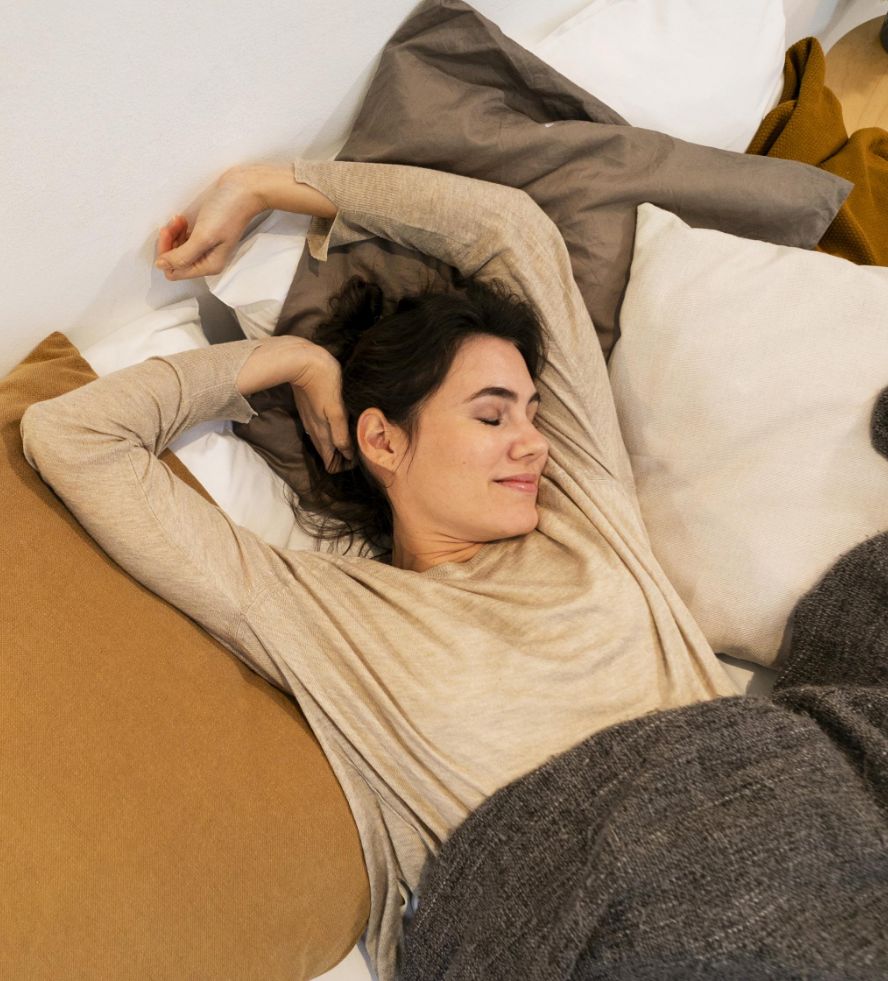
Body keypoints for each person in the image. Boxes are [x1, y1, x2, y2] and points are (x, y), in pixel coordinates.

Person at [20, 159, 739, 981]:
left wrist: (269, 182)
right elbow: (74, 438)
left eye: (533, 413)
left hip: (756, 813)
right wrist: (289, 360)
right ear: (383, 440)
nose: (534, 442)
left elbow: (514, 233)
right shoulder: (327, 616)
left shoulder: (583, 509)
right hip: (593, 925)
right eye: (491, 414)